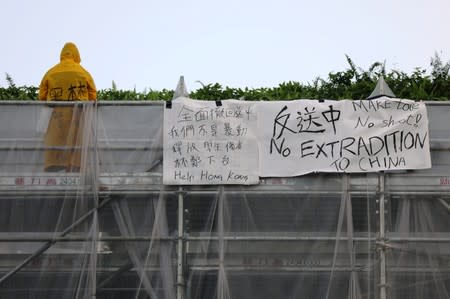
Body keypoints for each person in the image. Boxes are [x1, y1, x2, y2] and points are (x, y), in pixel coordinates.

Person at [39, 42, 96, 172]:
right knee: (76, 144)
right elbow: (93, 95)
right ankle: (75, 165)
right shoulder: (83, 72)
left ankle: (54, 164)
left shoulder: (51, 72)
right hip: (78, 118)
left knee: (56, 142)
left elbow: (42, 96)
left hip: (56, 118)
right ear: (76, 55)